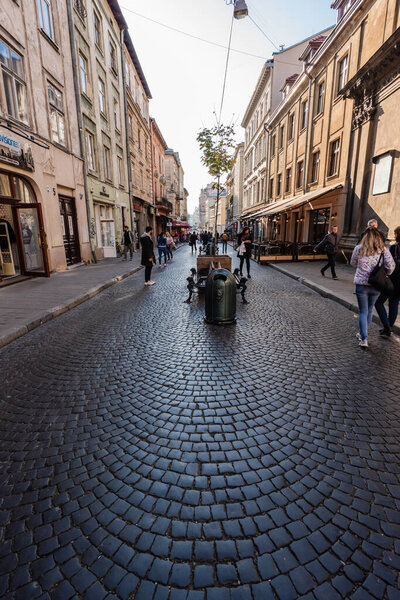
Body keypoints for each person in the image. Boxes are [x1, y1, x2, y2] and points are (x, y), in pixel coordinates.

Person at [350, 228, 395, 347]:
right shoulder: (383, 250)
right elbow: (391, 266)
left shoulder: (358, 248)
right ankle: (362, 333)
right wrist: (384, 273)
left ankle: (364, 338)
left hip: (361, 284)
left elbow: (353, 263)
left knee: (363, 311)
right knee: (369, 309)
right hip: (376, 285)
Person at [375, 225, 400, 337]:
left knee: (379, 302)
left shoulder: (395, 247)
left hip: (393, 281)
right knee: (394, 304)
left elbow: (392, 265)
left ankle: (387, 326)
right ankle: (388, 328)